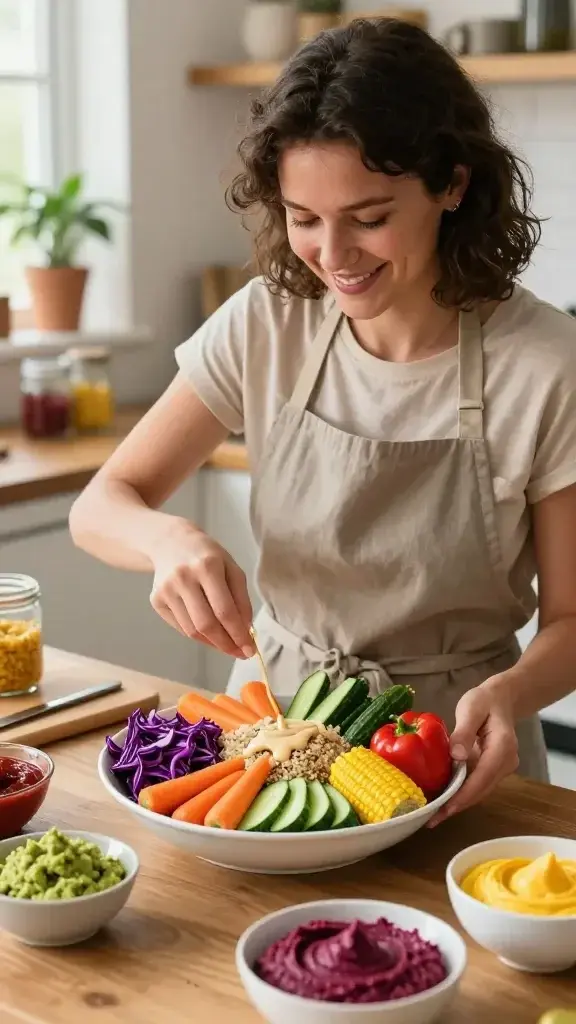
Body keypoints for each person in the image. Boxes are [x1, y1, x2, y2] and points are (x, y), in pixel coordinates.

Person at [69, 18, 576, 826]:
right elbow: (102, 502)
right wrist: (169, 541)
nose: (332, 253)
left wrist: (512, 691)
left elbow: (573, 620)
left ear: (452, 183)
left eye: (369, 217)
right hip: (273, 736)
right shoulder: (270, 322)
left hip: (455, 753)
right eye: (303, 217)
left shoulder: (547, 361)